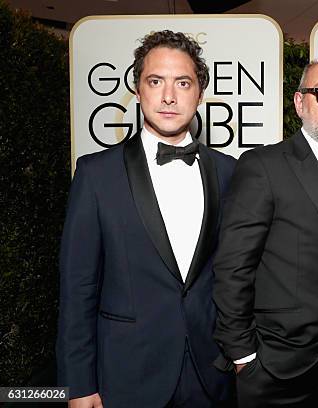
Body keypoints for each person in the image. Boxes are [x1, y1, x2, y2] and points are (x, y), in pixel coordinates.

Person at [57, 30, 235, 407]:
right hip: (126, 376)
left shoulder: (229, 173)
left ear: (199, 94)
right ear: (138, 89)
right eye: (156, 81)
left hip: (211, 374)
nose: (169, 96)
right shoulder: (95, 175)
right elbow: (77, 291)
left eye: (182, 83)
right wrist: (78, 385)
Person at [213, 58, 318, 407]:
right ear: (300, 102)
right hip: (279, 367)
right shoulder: (263, 166)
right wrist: (244, 357)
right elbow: (233, 268)